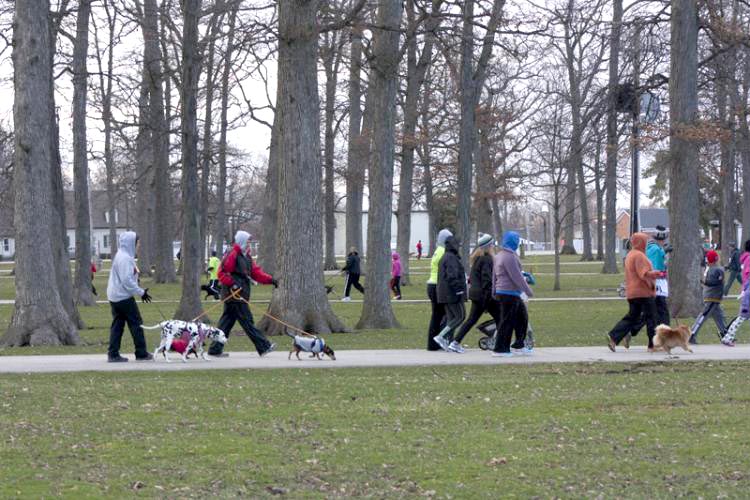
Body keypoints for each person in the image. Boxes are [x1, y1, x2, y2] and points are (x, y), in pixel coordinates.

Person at [208, 231, 278, 357]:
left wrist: (271, 280)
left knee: (226, 323)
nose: (249, 244)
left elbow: (256, 273)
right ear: (241, 241)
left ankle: (215, 349)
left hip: (241, 293)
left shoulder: (247, 256)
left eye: (250, 241)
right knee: (247, 321)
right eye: (248, 241)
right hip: (234, 295)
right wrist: (233, 284)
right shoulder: (232, 254)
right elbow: (221, 273)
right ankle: (264, 346)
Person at [606, 233, 662, 352]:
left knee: (632, 317)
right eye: (645, 241)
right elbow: (644, 274)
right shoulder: (639, 256)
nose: (646, 244)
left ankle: (614, 337)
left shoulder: (630, 255)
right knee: (651, 318)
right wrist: (656, 274)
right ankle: (653, 345)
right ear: (641, 242)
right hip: (644, 292)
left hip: (632, 292)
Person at [106, 231, 153, 362]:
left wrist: (136, 283)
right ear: (131, 243)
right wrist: (141, 292)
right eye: (138, 243)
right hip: (123, 297)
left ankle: (113, 353)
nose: (139, 246)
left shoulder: (122, 255)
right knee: (136, 323)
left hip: (115, 296)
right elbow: (126, 280)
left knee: (118, 325)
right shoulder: (125, 258)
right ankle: (141, 352)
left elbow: (127, 277)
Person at [450, 233, 499, 353]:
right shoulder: (487, 259)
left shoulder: (477, 259)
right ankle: (500, 343)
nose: (493, 247)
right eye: (492, 245)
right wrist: (490, 298)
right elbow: (487, 281)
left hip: (476, 294)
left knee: (471, 320)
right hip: (484, 295)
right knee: (502, 318)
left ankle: (455, 342)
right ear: (488, 246)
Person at [492, 231, 534, 357]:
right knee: (507, 321)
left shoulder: (500, 255)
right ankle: (500, 349)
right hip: (508, 293)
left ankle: (518, 345)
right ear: (513, 242)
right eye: (517, 240)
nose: (517, 243)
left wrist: (493, 290)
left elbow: (494, 276)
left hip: (509, 292)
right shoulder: (509, 256)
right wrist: (528, 291)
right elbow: (517, 276)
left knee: (522, 318)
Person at [432, 236, 466, 351]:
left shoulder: (445, 257)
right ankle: (441, 336)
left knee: (451, 318)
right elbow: (452, 275)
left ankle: (450, 342)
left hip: (443, 293)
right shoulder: (451, 258)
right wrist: (459, 289)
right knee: (460, 316)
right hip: (452, 293)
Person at [689, 249, 727, 344]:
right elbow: (716, 282)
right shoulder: (717, 270)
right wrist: (705, 282)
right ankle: (692, 334)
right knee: (703, 316)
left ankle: (725, 334)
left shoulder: (711, 269)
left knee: (720, 317)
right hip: (712, 298)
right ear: (716, 258)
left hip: (714, 298)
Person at [426, 229, 452, 350]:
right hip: (438, 286)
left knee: (436, 316)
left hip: (432, 284)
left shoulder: (437, 250)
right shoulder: (444, 252)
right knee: (446, 315)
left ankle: (433, 344)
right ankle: (441, 340)